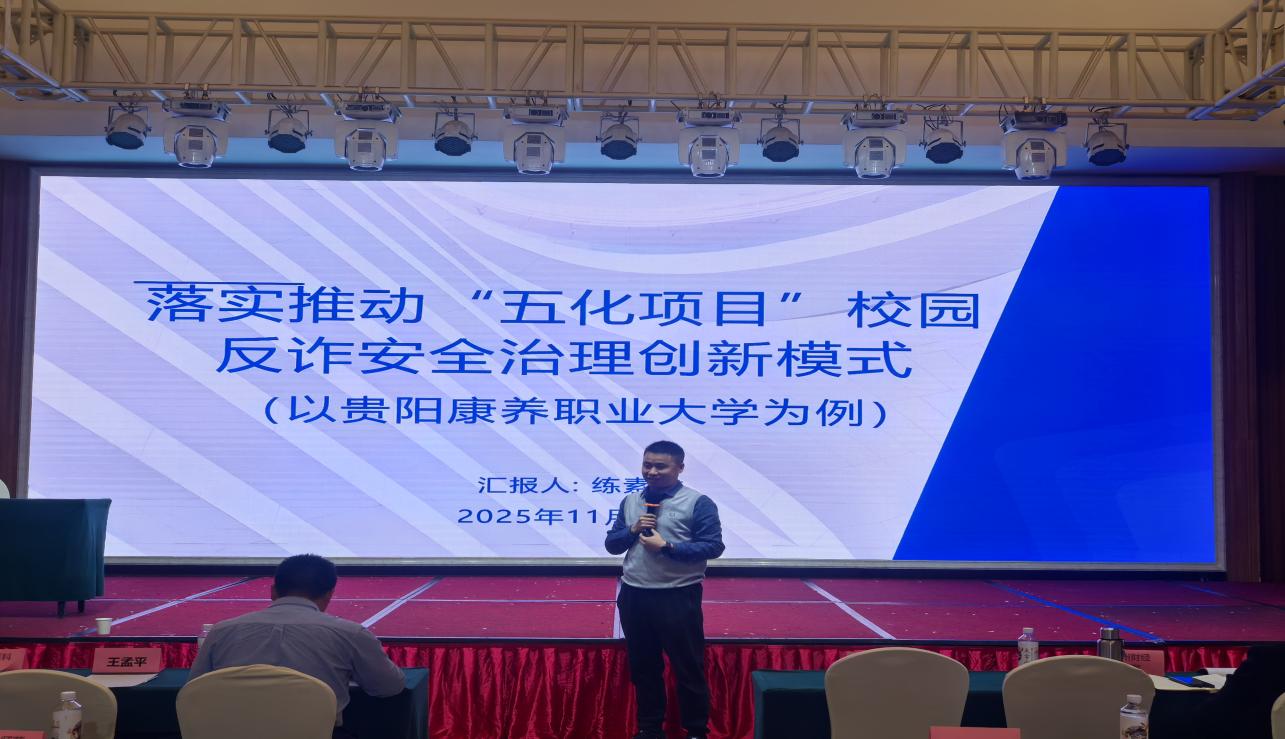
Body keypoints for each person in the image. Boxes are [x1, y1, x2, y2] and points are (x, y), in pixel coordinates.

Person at [190, 554, 405, 738]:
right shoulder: (351, 634)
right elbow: (388, 687)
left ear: (273, 591)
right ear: (329, 594)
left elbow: (195, 689)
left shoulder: (222, 631)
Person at [605, 440, 726, 739]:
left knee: (688, 668)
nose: (652, 471)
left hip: (677, 596)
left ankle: (696, 731)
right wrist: (631, 530)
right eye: (647, 465)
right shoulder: (630, 501)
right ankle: (649, 729)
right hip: (634, 595)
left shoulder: (698, 502)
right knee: (644, 667)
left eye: (661, 466)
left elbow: (713, 546)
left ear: (679, 468)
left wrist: (668, 547)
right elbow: (612, 544)